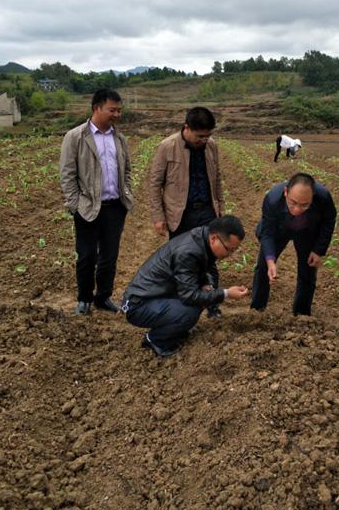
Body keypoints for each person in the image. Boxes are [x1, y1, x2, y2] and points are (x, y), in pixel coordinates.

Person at [122, 216, 249, 357]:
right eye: (229, 249)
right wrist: (225, 293)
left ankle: (173, 329)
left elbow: (202, 270)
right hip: (138, 305)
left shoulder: (202, 239)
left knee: (199, 300)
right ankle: (155, 340)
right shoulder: (188, 252)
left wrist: (207, 284)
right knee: (190, 311)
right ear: (214, 239)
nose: (229, 255)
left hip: (158, 293)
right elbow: (189, 295)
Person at [60, 89, 133, 315]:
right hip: (88, 208)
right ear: (96, 108)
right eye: (112, 110)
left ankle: (103, 297)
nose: (117, 115)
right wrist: (75, 205)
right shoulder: (75, 137)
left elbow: (127, 170)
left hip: (115, 207)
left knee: (109, 257)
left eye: (119, 110)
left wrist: (126, 193)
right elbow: (67, 175)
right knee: (87, 256)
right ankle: (84, 299)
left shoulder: (118, 138)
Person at [148, 106, 225, 316]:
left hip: (207, 212)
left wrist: (220, 209)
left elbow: (217, 180)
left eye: (208, 135)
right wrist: (158, 216)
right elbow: (155, 184)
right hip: (180, 214)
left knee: (209, 261)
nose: (205, 140)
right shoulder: (167, 146)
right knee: (181, 260)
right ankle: (181, 304)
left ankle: (212, 304)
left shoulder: (212, 146)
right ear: (187, 128)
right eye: (200, 136)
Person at [250, 173, 337, 316]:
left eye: (305, 205)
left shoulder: (323, 198)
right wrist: (270, 260)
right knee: (264, 267)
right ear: (285, 192)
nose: (297, 209)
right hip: (279, 230)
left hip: (307, 232)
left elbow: (329, 221)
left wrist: (318, 250)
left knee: (308, 270)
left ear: (313, 196)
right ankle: (257, 310)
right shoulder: (272, 199)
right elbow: (268, 232)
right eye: (293, 203)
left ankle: (302, 314)